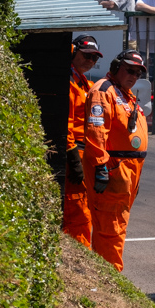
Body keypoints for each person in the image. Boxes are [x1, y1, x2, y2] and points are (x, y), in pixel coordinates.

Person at [83, 50, 149, 272]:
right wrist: (101, 166)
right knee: (111, 228)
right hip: (114, 169)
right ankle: (109, 278)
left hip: (127, 171)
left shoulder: (124, 93)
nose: (133, 76)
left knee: (117, 225)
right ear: (116, 66)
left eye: (138, 73)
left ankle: (108, 276)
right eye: (130, 70)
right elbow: (96, 130)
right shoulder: (104, 91)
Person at [63, 35, 103, 249]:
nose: (90, 61)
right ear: (73, 53)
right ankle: (77, 265)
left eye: (94, 58)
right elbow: (66, 125)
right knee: (77, 212)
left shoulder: (85, 83)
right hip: (75, 153)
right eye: (86, 55)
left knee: (85, 209)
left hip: (87, 154)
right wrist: (72, 156)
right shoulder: (68, 83)